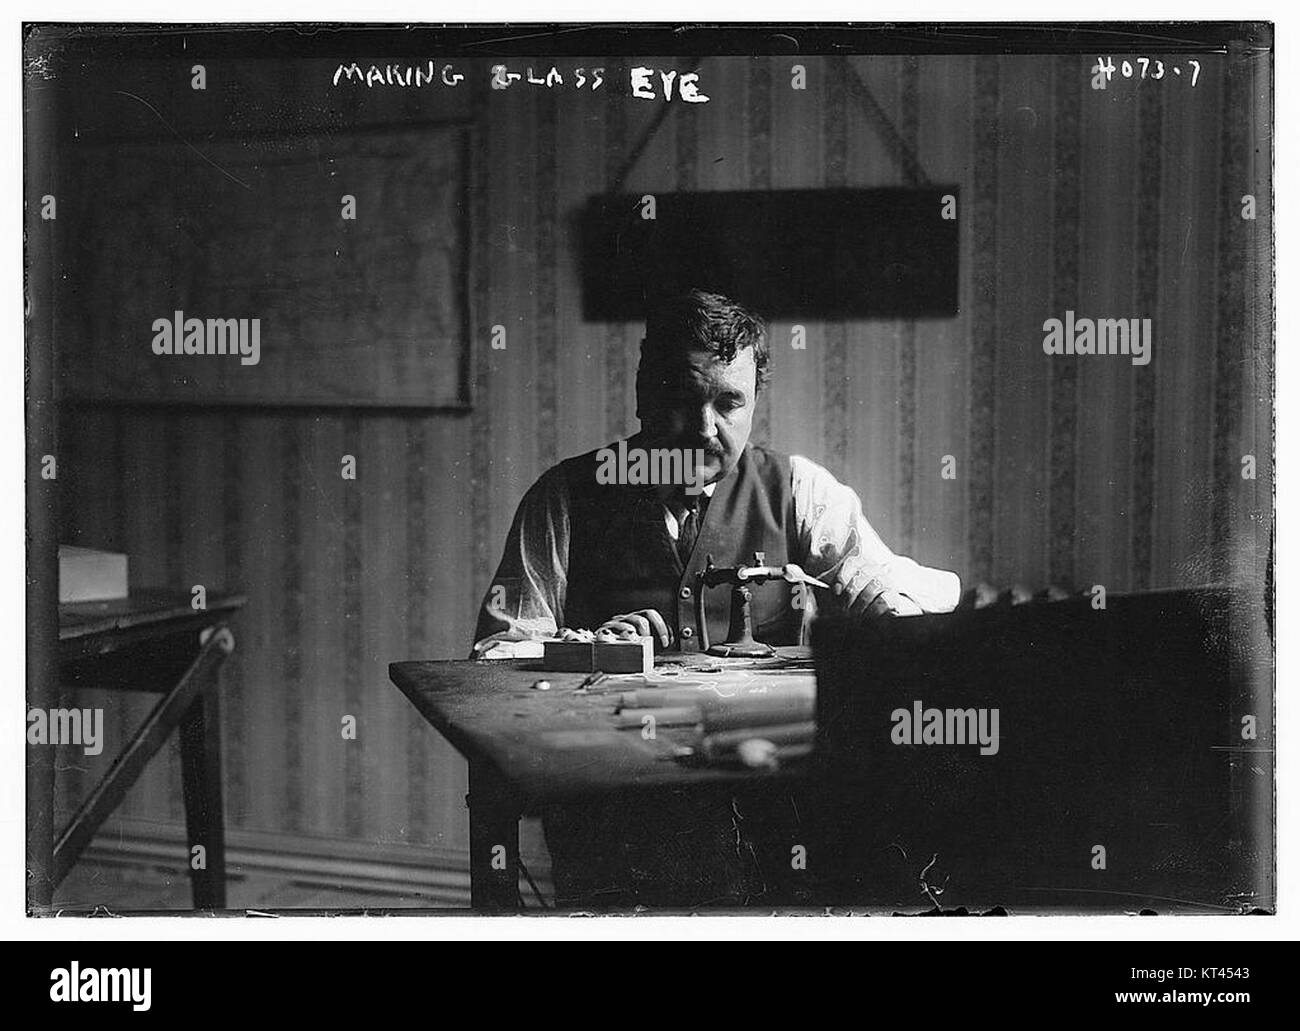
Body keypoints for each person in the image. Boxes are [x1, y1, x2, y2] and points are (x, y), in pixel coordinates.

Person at [470, 288, 962, 906]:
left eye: (729, 403)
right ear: (645, 393)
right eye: (683, 398)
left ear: (755, 403)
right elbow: (494, 656)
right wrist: (586, 649)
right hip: (617, 810)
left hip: (772, 808)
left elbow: (909, 587)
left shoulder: (799, 490)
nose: (705, 429)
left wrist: (888, 608)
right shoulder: (565, 496)